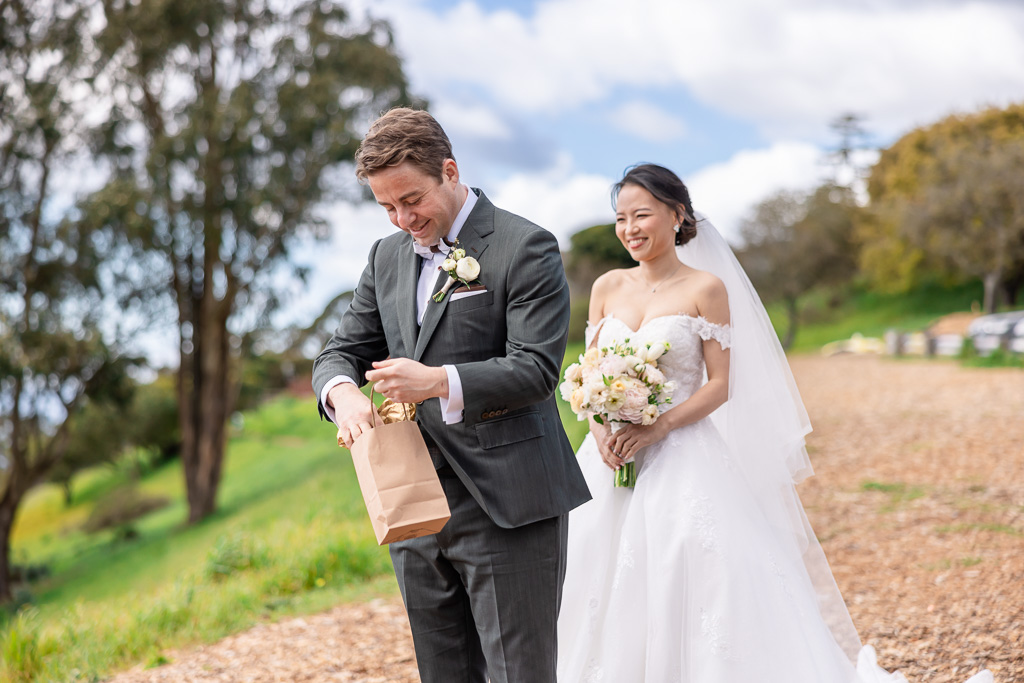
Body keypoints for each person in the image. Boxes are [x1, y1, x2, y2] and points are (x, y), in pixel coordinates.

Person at [555, 163, 993, 683]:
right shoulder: (606, 286)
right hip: (608, 458)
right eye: (621, 218)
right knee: (591, 570)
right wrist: (604, 432)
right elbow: (589, 372)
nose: (630, 229)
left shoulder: (706, 288)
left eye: (642, 214)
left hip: (680, 452)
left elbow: (720, 384)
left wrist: (660, 427)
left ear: (677, 215)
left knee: (694, 569)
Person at [313, 108, 591, 683]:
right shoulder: (384, 257)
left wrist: (438, 381)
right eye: (387, 207)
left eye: (412, 200)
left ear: (450, 169)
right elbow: (339, 353)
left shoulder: (525, 245)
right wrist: (344, 394)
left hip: (509, 503)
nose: (402, 219)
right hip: (412, 504)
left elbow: (537, 369)